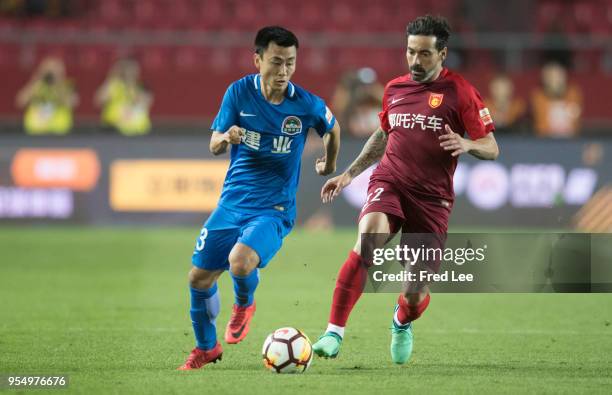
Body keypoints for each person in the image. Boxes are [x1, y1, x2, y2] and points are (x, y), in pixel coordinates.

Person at [311, 15, 499, 364]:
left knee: (413, 293)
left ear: (442, 53)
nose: (415, 60)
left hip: (432, 199)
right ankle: (333, 333)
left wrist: (467, 144)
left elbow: (492, 147)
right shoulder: (394, 89)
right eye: (411, 51)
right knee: (367, 238)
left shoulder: (460, 93)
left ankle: (400, 322)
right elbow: (384, 134)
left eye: (424, 54)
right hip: (391, 181)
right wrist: (350, 174)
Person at [178, 26, 341, 370]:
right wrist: (227, 137)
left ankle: (243, 303)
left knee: (240, 261)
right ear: (258, 60)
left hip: (274, 208)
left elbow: (333, 127)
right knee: (198, 279)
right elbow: (213, 145)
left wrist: (330, 162)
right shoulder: (238, 93)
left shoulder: (305, 104)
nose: (283, 72)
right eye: (276, 62)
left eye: (290, 63)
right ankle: (206, 348)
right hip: (232, 203)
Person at [16, 56, 78, 135]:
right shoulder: (36, 85)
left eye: (55, 69)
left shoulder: (67, 85)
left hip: (60, 132)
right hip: (35, 131)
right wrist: (37, 79)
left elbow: (71, 103)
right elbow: (20, 101)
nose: (51, 73)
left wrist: (58, 83)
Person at [95, 57, 153, 136]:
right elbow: (99, 100)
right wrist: (113, 76)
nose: (129, 71)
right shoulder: (113, 84)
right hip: (113, 130)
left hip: (138, 132)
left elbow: (145, 102)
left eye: (133, 69)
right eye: (127, 68)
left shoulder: (141, 87)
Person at [530, 62, 582, 138]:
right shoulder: (538, 97)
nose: (555, 80)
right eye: (551, 76)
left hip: (570, 141)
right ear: (545, 79)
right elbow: (541, 126)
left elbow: (575, 122)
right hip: (547, 142)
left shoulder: (573, 94)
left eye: (558, 75)